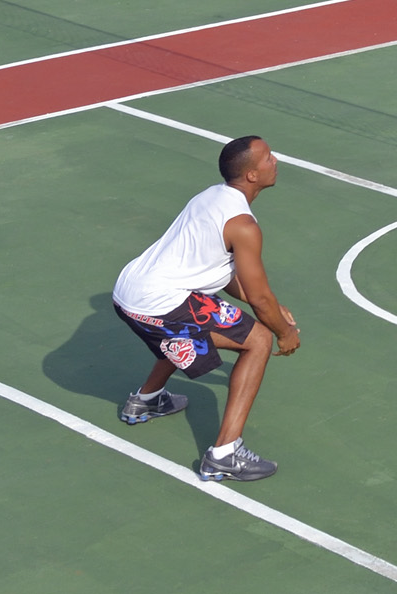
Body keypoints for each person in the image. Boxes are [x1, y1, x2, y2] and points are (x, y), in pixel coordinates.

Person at [111, 133, 302, 481]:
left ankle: (147, 398)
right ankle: (224, 454)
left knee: (191, 325)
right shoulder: (244, 226)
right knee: (257, 340)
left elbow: (223, 275)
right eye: (269, 158)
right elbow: (258, 299)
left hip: (128, 292)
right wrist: (283, 332)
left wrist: (276, 306)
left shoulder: (210, 197)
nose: (276, 161)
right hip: (160, 302)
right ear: (252, 176)